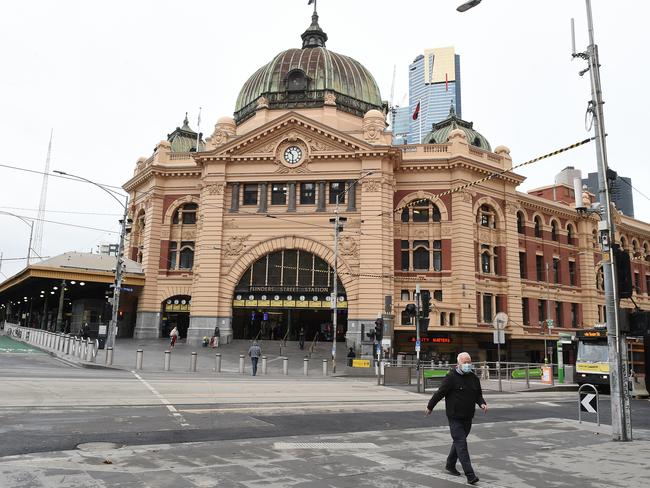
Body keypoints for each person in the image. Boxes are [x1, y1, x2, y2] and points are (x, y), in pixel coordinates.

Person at [425, 352, 487, 485]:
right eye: (464, 362)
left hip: (468, 416)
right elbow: (440, 393)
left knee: (459, 441)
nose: (467, 364)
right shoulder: (451, 377)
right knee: (461, 443)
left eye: (469, 362)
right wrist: (430, 406)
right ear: (458, 363)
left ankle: (450, 464)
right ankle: (470, 475)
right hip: (454, 417)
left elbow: (478, 395)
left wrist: (482, 403)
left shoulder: (473, 378)